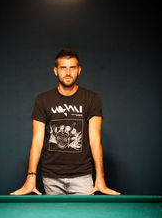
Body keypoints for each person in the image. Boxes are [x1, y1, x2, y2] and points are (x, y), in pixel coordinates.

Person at [10, 48, 121, 196]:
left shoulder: (92, 99)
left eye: (72, 67)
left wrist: (100, 178)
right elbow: (37, 141)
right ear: (55, 70)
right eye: (63, 68)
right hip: (51, 177)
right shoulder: (43, 100)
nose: (68, 72)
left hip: (82, 177)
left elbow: (95, 140)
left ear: (79, 70)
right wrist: (31, 178)